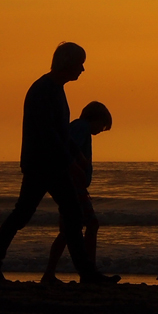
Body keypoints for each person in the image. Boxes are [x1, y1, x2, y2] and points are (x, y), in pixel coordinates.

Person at [0, 43, 119, 284]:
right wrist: (71, 163)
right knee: (29, 215)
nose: (83, 69)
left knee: (63, 216)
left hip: (50, 164)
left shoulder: (55, 89)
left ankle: (86, 274)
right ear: (68, 63)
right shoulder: (44, 90)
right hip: (42, 165)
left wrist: (76, 154)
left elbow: (60, 132)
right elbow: (48, 134)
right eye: (80, 63)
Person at [40, 101, 113, 286]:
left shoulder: (76, 127)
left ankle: (51, 273)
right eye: (102, 125)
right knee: (90, 224)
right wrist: (78, 169)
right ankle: (89, 272)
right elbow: (68, 150)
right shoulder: (81, 128)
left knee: (67, 231)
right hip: (74, 186)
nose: (100, 130)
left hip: (71, 185)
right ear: (95, 118)